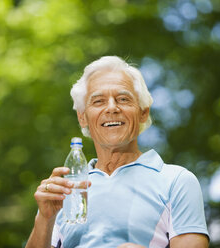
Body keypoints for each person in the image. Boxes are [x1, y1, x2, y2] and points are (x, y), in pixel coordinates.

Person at [25, 56, 209, 248]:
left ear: (143, 112)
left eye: (123, 99)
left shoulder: (176, 181)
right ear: (82, 118)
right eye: (98, 101)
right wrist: (44, 219)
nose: (112, 108)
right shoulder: (68, 189)